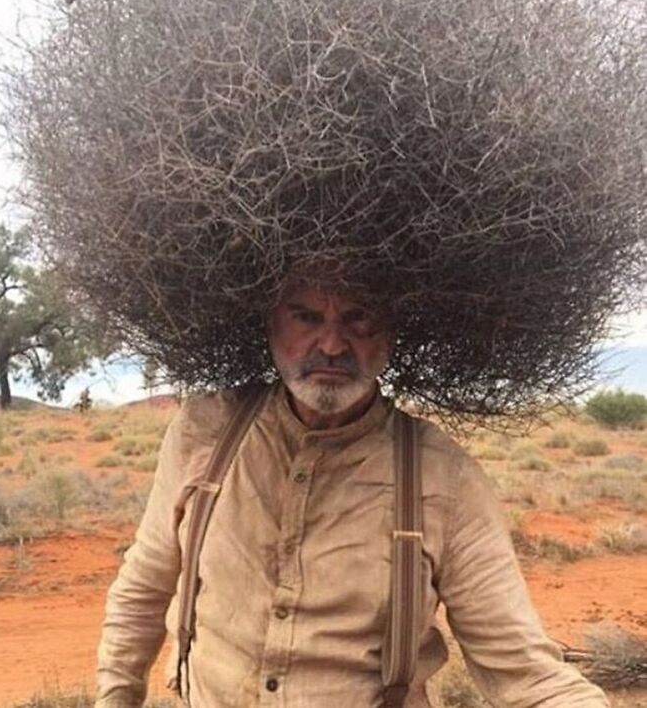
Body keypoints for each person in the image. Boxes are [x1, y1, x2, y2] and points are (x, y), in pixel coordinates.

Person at [95, 283, 609, 708]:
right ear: (270, 322)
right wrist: (115, 696)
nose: (334, 344)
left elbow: (524, 669)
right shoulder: (203, 431)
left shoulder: (444, 477)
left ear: (390, 335)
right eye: (306, 316)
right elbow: (144, 585)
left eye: (359, 318)